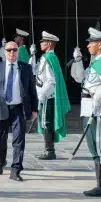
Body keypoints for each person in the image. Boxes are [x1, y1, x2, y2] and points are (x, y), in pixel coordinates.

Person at [0, 41, 38, 182]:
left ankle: (16, 169)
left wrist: (34, 109)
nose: (12, 53)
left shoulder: (25, 68)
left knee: (19, 140)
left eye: (14, 50)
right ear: (4, 52)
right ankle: (0, 163)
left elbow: (32, 90)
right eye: (9, 50)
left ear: (18, 52)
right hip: (0, 108)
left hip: (18, 109)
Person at [71, 27, 101, 197]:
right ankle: (100, 184)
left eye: (91, 43)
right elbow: (79, 78)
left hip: (99, 111)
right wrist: (78, 60)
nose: (88, 45)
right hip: (89, 110)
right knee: (94, 149)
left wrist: (97, 99)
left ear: (100, 45)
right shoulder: (95, 62)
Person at [35, 31, 71, 160]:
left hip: (47, 96)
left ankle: (49, 151)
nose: (41, 44)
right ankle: (49, 150)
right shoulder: (52, 57)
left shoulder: (47, 58)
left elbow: (50, 80)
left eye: (43, 42)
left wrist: (42, 96)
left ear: (49, 44)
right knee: (47, 122)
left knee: (46, 123)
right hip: (48, 95)